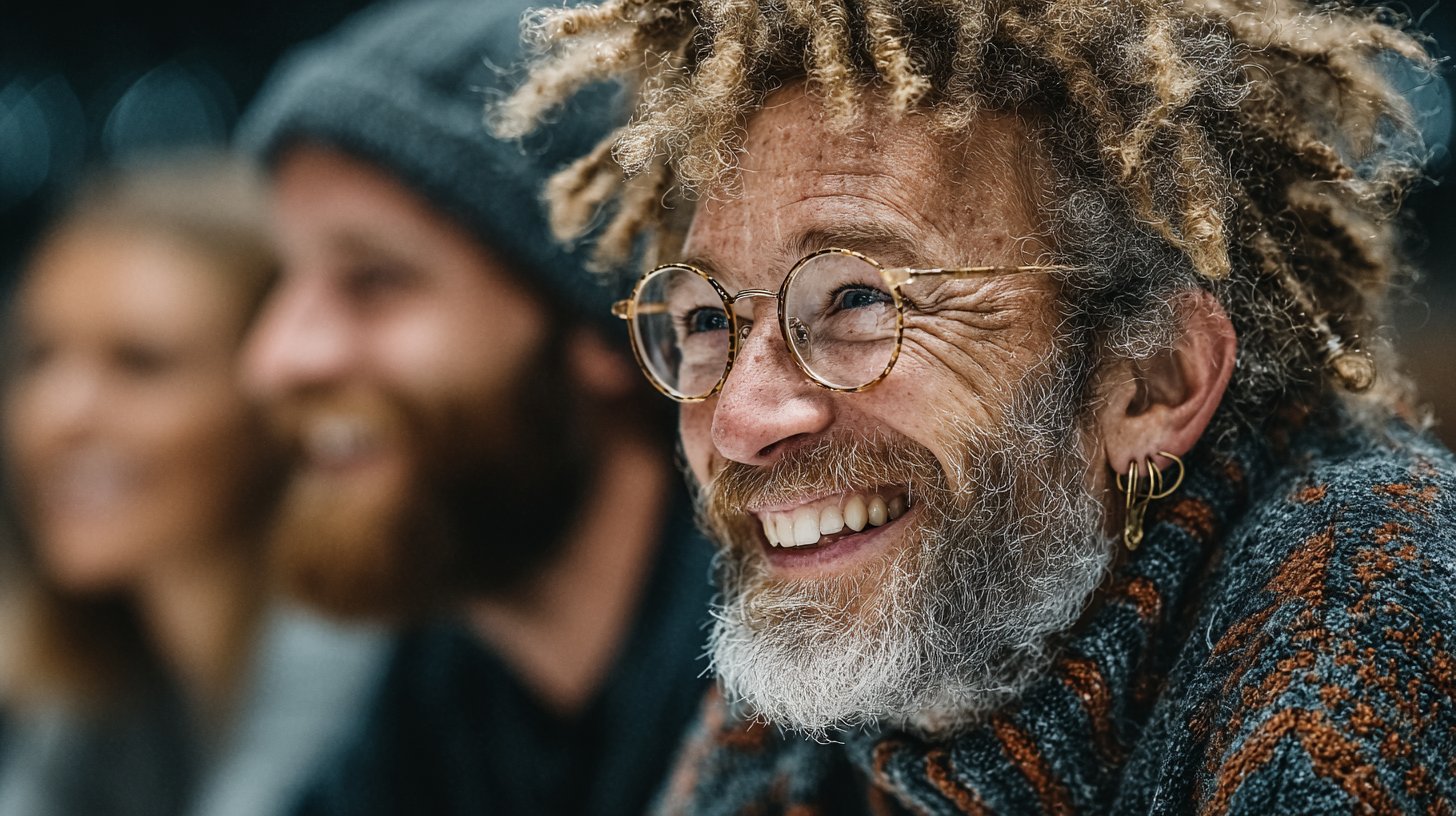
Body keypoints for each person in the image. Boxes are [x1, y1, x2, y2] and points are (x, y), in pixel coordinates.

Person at [495, 0, 1456, 812]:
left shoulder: (1369, 619)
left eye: (859, 300)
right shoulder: (846, 658)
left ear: (1152, 380)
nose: (744, 420)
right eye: (707, 316)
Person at [235, 1, 714, 813]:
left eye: (374, 280)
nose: (275, 359)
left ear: (607, 330)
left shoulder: (806, 726)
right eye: (287, 276)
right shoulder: (431, 705)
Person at [0, 155, 387, 816]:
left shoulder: (358, 652)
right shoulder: (111, 668)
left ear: (278, 396)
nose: (59, 414)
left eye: (140, 364)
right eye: (39, 357)